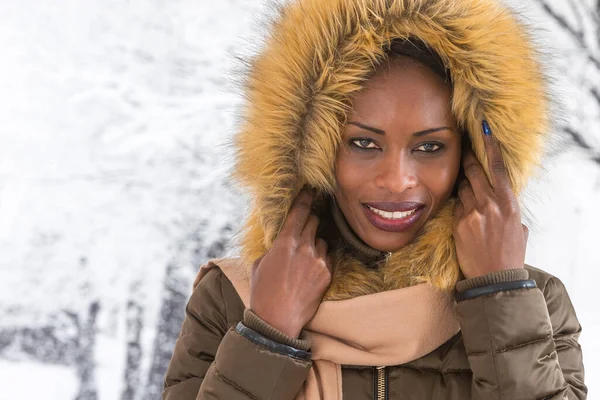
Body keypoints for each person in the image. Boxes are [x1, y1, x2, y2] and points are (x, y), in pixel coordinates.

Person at [163, 0, 587, 398]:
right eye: (364, 143)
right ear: (308, 152)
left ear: (472, 154)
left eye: (429, 147)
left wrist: (501, 298)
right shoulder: (232, 299)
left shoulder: (534, 302)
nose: (398, 181)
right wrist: (266, 334)